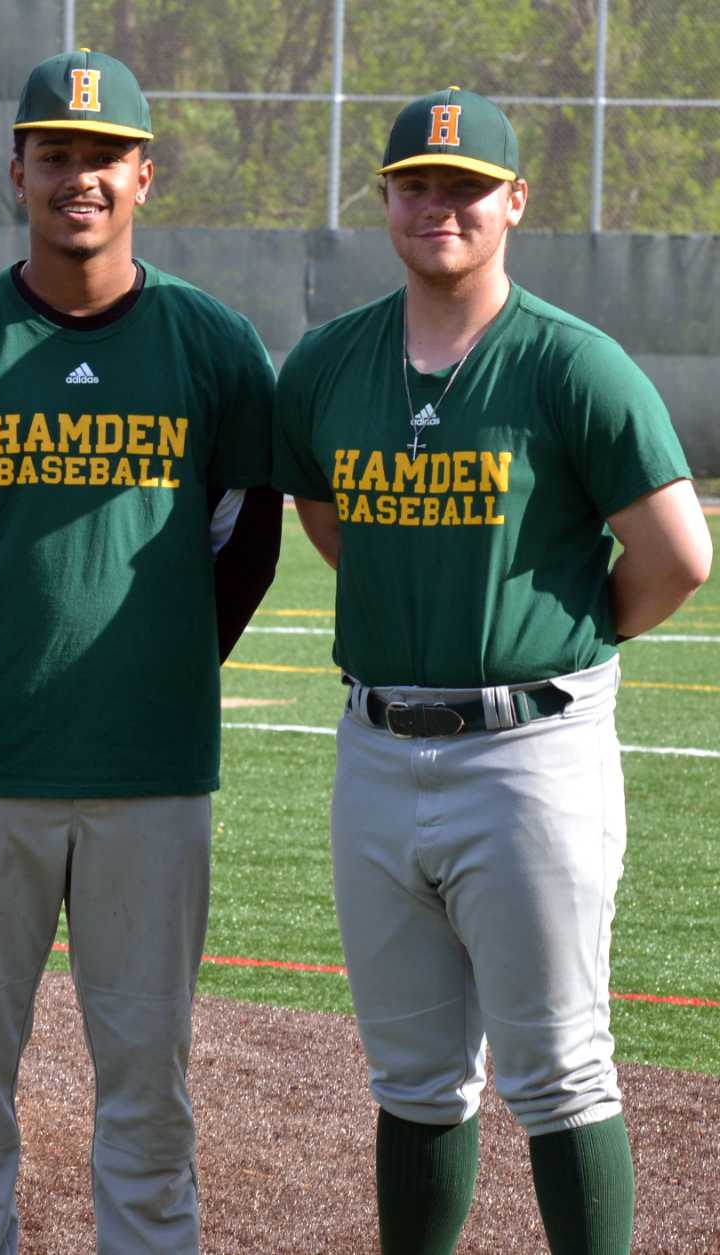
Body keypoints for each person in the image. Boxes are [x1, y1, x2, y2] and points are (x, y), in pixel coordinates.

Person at [273, 88, 709, 1254]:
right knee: (412, 1074)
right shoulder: (326, 364)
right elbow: (326, 517)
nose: (438, 205)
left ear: (513, 201)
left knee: (559, 1067)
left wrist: (549, 641)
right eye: (415, 183)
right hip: (374, 744)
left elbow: (675, 557)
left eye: (465, 186)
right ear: (384, 200)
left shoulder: (572, 364)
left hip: (529, 751)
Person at [0, 50, 282, 1253]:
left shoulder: (211, 345)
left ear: (144, 175)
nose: (78, 179)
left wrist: (159, 668)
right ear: (16, 172)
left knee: (147, 1076)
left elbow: (241, 541)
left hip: (152, 769)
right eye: (55, 156)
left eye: (103, 158)